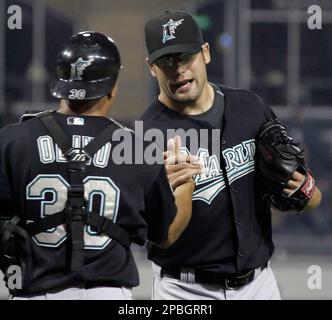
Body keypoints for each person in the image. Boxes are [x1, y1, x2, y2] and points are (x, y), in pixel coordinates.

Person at [138, 10, 322, 300]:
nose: (178, 69)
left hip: (259, 285)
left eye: (186, 56)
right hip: (186, 290)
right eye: (166, 61)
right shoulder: (146, 136)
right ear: (152, 68)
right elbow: (156, 236)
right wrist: (171, 200)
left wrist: (302, 189)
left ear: (205, 53)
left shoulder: (249, 106)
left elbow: (310, 199)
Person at [0, 31, 195, 300]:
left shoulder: (12, 140)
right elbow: (166, 237)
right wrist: (186, 185)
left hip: (35, 291)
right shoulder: (139, 150)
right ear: (113, 88)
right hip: (108, 293)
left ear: (59, 82)